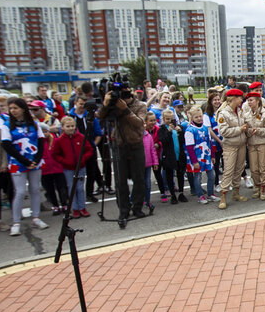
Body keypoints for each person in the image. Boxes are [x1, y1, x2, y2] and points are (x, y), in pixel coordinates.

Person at [98, 79, 148, 224]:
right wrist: (106, 103)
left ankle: (138, 207)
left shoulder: (140, 105)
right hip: (119, 144)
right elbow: (100, 116)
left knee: (139, 178)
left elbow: (139, 123)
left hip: (136, 144)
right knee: (120, 181)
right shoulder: (113, 105)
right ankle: (123, 210)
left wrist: (125, 109)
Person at [0, 98, 49, 235]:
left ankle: (36, 217)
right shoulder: (6, 125)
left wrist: (37, 159)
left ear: (23, 109)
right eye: (11, 108)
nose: (13, 111)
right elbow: (7, 145)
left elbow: (40, 142)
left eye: (15, 108)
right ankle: (16, 222)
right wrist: (25, 161)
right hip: (17, 163)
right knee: (20, 192)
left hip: (35, 161)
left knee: (35, 189)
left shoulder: (33, 124)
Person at [51, 116, 94, 218]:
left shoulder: (81, 137)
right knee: (72, 188)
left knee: (80, 188)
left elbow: (89, 149)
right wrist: (65, 162)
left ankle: (82, 207)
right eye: (68, 126)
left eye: (72, 126)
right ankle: (75, 208)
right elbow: (55, 154)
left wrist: (83, 159)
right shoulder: (59, 141)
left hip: (81, 167)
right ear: (63, 127)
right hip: (68, 168)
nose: (70, 128)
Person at [216, 89, 248, 209]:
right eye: (240, 98)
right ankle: (223, 196)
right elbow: (223, 131)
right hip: (230, 145)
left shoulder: (240, 111)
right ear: (233, 98)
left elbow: (245, 123)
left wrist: (247, 129)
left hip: (241, 144)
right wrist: (240, 129)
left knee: (239, 169)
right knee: (228, 170)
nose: (242, 100)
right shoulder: (223, 113)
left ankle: (236, 192)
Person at [184, 106, 216, 204]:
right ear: (192, 118)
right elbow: (189, 147)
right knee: (197, 177)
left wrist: (213, 155)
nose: (199, 119)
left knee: (212, 175)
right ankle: (200, 195)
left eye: (200, 116)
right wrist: (194, 161)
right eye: (196, 117)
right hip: (197, 158)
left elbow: (210, 142)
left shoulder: (206, 128)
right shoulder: (189, 130)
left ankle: (210, 194)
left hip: (206, 156)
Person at [245, 92, 265, 200]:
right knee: (254, 168)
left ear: (257, 101)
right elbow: (245, 130)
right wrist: (248, 131)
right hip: (252, 144)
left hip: (263, 143)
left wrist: (258, 131)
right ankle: (257, 186)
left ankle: (263, 188)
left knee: (263, 167)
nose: (249, 102)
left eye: (251, 100)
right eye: (248, 100)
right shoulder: (246, 115)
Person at [157, 109, 188, 204]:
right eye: (167, 119)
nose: (170, 121)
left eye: (172, 119)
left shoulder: (178, 127)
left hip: (179, 154)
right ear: (163, 119)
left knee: (180, 174)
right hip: (169, 156)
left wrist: (180, 131)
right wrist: (169, 131)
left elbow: (183, 140)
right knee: (169, 175)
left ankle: (181, 193)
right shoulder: (162, 129)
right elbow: (164, 141)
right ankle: (173, 195)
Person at [203, 92, 224, 190]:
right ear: (210, 102)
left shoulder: (222, 112)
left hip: (225, 140)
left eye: (218, 99)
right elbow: (210, 130)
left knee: (226, 164)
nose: (217, 102)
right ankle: (216, 184)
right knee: (216, 164)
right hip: (215, 142)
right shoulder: (207, 115)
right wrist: (219, 141)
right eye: (214, 100)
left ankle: (225, 182)